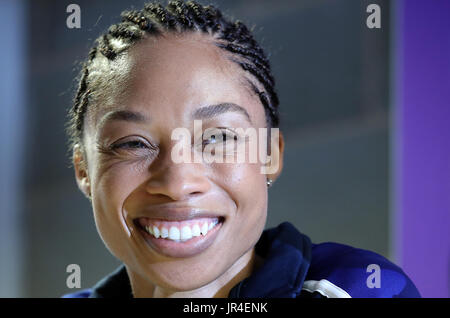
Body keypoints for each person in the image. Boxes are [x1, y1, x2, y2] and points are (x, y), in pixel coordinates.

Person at [63, 0, 420, 298]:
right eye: (133, 143)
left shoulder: (360, 287)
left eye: (217, 138)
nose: (177, 183)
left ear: (271, 154)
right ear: (84, 169)